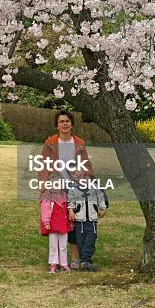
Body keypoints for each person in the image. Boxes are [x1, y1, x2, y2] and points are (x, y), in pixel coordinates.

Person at [39, 110, 94, 270]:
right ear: (57, 125)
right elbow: (43, 165)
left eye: (67, 121)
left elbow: (86, 163)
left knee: (75, 221)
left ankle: (75, 257)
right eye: (61, 121)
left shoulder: (79, 142)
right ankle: (57, 259)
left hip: (75, 186)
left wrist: (89, 178)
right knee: (61, 221)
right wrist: (44, 185)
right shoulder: (50, 142)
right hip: (57, 187)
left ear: (72, 124)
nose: (64, 124)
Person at [67, 181, 108, 271]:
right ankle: (85, 262)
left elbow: (101, 198)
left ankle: (85, 260)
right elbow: (71, 201)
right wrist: (71, 211)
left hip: (92, 220)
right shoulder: (73, 188)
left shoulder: (95, 187)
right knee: (80, 241)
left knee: (90, 239)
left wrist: (103, 208)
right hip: (79, 220)